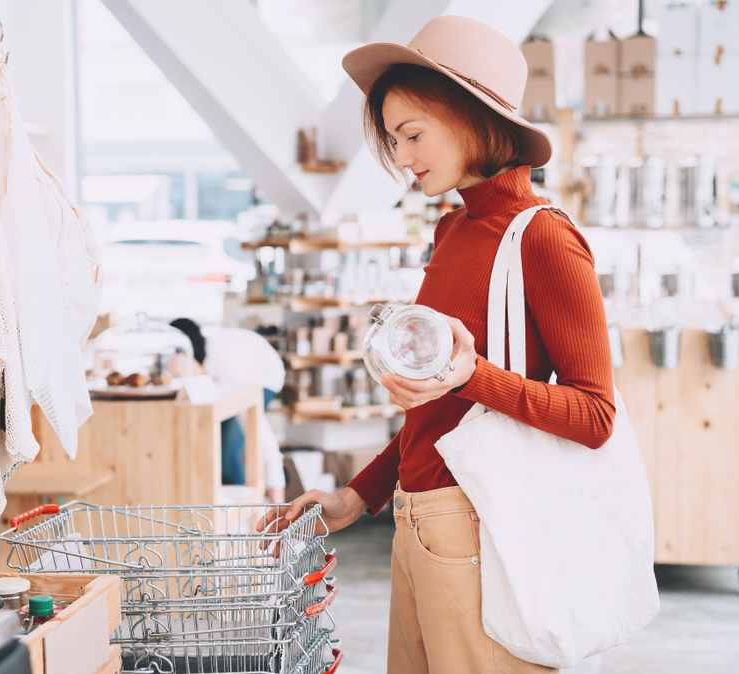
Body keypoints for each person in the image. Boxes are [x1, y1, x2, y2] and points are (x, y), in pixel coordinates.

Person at [258, 16, 615, 674]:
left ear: (471, 116)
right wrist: (356, 496)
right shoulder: (452, 230)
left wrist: (469, 374)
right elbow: (445, 412)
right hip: (417, 521)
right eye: (394, 139)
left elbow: (595, 417)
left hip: (484, 527)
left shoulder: (544, 238)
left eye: (412, 134)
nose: (400, 157)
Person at [170, 319, 287, 502]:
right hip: (233, 370)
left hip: (264, 375)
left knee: (231, 447)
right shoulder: (201, 363)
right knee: (220, 448)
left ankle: (246, 511)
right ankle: (231, 509)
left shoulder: (227, 372)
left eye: (181, 372)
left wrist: (280, 507)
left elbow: (265, 442)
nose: (180, 377)